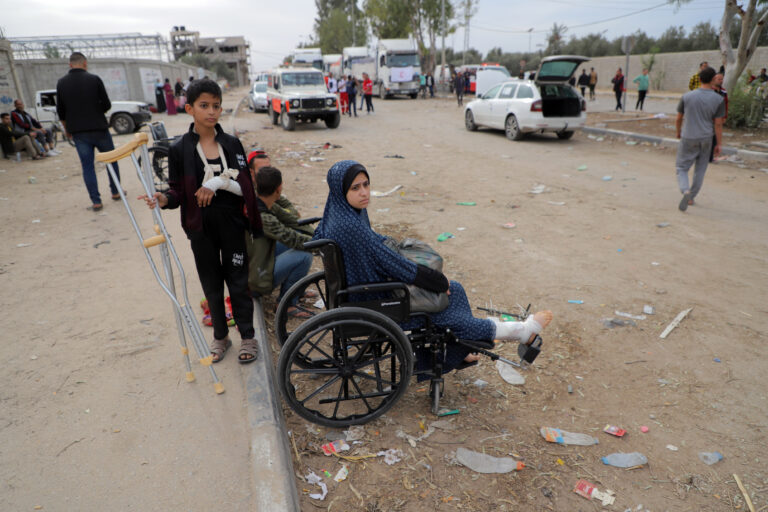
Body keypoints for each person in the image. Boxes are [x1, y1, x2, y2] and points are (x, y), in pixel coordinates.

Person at [313, 160, 553, 376]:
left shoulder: (339, 213)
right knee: (448, 311)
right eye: (355, 188)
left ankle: (457, 352)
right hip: (377, 302)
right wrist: (436, 280)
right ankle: (521, 331)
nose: (364, 192)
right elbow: (394, 265)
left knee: (454, 290)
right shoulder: (351, 227)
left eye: (366, 184)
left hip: (361, 292)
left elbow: (373, 245)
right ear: (340, 189)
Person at [140, 79, 263, 364]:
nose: (211, 111)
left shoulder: (232, 144)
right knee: (211, 283)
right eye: (204, 106)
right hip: (200, 229)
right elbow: (178, 190)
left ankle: (247, 336)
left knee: (238, 280)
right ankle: (221, 337)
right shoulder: (179, 149)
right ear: (189, 109)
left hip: (232, 226)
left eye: (216, 106)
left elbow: (245, 184)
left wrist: (218, 184)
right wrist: (164, 199)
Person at [56, 52, 123, 211]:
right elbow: (106, 104)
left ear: (70, 65)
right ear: (85, 64)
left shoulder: (61, 83)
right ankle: (116, 192)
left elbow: (61, 111)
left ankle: (96, 201)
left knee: (87, 166)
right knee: (111, 160)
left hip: (79, 132)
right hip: (99, 128)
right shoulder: (94, 79)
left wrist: (67, 130)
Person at [246, 165, 315, 317]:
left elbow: (293, 222)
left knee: (300, 238)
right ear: (279, 188)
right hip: (254, 282)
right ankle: (287, 305)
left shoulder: (261, 203)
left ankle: (297, 290)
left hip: (254, 265)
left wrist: (318, 236)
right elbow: (292, 239)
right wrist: (321, 244)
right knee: (304, 255)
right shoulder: (264, 217)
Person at [674, 66, 725, 212]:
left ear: (699, 78)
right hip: (706, 138)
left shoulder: (687, 96)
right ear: (713, 79)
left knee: (682, 167)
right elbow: (718, 124)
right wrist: (719, 144)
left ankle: (685, 191)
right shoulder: (718, 99)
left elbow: (678, 118)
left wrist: (678, 132)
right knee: (700, 169)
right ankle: (691, 197)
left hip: (688, 136)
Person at [709, 72, 728, 163]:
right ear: (714, 80)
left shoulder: (723, 91)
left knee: (715, 137)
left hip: (718, 117)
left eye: (722, 79)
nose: (721, 81)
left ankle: (711, 156)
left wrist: (725, 116)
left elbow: (726, 104)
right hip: (709, 117)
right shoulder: (709, 90)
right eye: (719, 79)